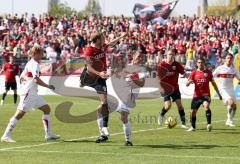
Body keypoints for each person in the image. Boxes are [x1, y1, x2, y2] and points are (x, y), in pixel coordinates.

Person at [1, 44, 60, 143]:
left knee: (46, 109)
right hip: (28, 93)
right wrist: (48, 86)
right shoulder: (35, 64)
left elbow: (21, 77)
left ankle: (48, 134)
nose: (42, 55)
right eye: (41, 53)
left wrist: (26, 81)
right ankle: (5, 135)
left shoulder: (30, 63)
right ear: (36, 54)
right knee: (19, 114)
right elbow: (36, 79)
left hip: (33, 94)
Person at [83, 32, 126, 143]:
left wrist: (121, 36)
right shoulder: (89, 50)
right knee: (104, 103)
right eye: (102, 38)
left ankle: (104, 131)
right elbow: (89, 67)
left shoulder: (102, 47)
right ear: (97, 40)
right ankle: (82, 82)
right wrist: (99, 73)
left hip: (101, 79)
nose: (104, 39)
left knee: (103, 104)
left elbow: (111, 43)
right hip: (92, 77)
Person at [116, 51, 146, 146]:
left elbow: (142, 83)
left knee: (124, 116)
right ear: (133, 57)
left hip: (132, 93)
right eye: (138, 56)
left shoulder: (142, 70)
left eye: (141, 57)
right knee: (122, 117)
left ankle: (128, 141)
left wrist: (133, 78)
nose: (140, 58)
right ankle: (104, 131)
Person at [186, 57, 222, 132]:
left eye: (201, 62)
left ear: (204, 63)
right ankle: (193, 127)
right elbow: (187, 84)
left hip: (206, 95)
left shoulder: (208, 72)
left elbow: (213, 84)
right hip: (196, 96)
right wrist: (189, 82)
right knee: (193, 112)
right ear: (197, 64)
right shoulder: (194, 73)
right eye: (199, 62)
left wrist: (218, 94)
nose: (200, 64)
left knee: (206, 106)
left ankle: (209, 124)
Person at [157, 50, 187, 128]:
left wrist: (189, 78)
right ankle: (161, 115)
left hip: (175, 88)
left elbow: (183, 73)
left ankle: (183, 123)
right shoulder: (162, 65)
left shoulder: (176, 64)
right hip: (165, 88)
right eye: (169, 54)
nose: (171, 56)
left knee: (180, 105)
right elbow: (158, 77)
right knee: (168, 106)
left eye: (172, 54)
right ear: (166, 55)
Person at [213, 53, 240, 126]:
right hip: (222, 89)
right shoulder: (220, 68)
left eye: (230, 58)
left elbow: (239, 78)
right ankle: (228, 119)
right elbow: (212, 76)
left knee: (234, 107)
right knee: (231, 103)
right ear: (225, 59)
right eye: (228, 58)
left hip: (231, 89)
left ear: (232, 60)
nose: (229, 59)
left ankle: (230, 120)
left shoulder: (234, 69)